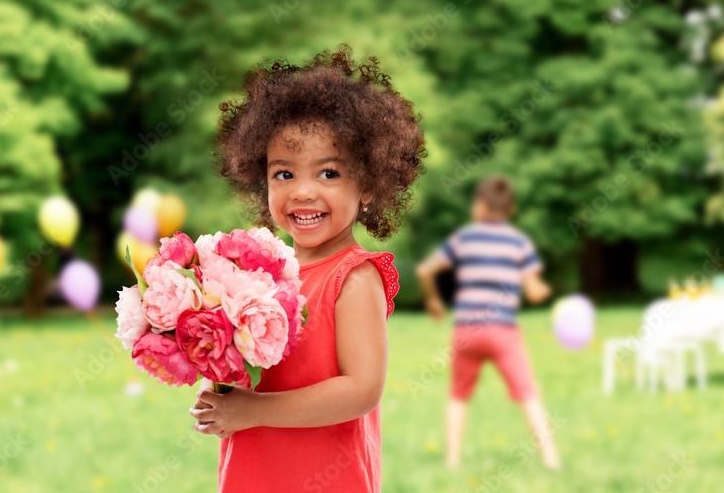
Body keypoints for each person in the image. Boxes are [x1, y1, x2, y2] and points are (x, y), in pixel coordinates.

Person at [187, 44, 426, 492]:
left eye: (329, 173)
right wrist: (219, 390)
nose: (303, 192)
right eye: (284, 174)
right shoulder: (261, 276)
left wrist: (250, 411)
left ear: (369, 185)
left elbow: (360, 390)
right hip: (253, 474)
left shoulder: (353, 277)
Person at [416, 175, 561, 469]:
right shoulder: (519, 242)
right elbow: (533, 293)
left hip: (467, 330)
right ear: (510, 210)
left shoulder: (465, 237)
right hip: (503, 332)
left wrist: (433, 300)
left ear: (480, 207)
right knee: (528, 394)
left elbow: (424, 270)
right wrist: (545, 289)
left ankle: (453, 462)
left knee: (458, 395)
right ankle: (552, 461)